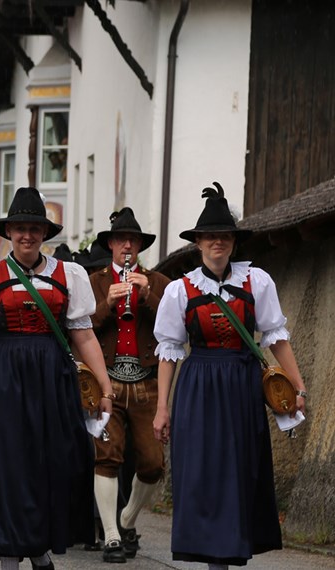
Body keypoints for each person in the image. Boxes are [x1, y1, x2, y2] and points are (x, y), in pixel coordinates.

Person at [0, 186, 114, 570]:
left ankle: (39, 548)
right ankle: (10, 555)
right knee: (7, 466)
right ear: (9, 232)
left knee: (52, 463)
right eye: (19, 228)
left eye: (34, 228)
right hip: (2, 380)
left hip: (52, 379)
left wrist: (104, 388)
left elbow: (84, 335)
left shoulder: (68, 275)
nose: (26, 235)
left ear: (44, 234)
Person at [152, 183, 306, 569]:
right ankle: (212, 559)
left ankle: (230, 553)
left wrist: (297, 386)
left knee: (239, 469)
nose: (217, 243)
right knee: (202, 471)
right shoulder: (179, 291)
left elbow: (276, 338)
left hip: (242, 382)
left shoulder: (258, 282)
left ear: (233, 243)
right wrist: (161, 409)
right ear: (199, 243)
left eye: (224, 236)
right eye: (210, 237)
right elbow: (169, 353)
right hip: (198, 384)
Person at [86, 208, 170, 563]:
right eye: (120, 240)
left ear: (139, 246)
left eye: (132, 241)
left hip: (146, 384)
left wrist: (147, 293)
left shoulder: (159, 281)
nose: (126, 246)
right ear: (111, 244)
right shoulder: (96, 281)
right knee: (107, 457)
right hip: (107, 381)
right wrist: (107, 303)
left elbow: (172, 328)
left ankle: (127, 518)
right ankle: (110, 536)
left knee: (152, 463)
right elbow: (83, 327)